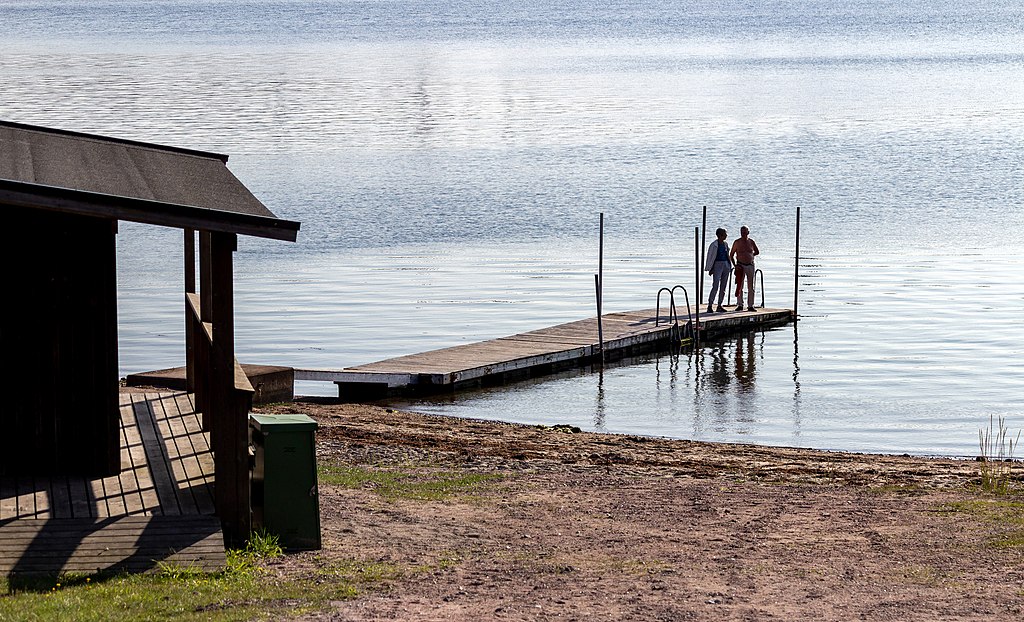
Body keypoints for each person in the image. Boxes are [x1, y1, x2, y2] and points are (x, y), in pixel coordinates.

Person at [729, 225, 760, 312]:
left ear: (748, 233)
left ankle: (750, 305)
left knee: (751, 286)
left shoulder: (751, 242)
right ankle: (740, 304)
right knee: (739, 285)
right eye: (742, 232)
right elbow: (731, 255)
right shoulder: (737, 242)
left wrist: (750, 255)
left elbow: (757, 251)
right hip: (740, 265)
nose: (743, 234)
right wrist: (735, 265)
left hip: (750, 265)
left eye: (745, 232)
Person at [704, 227, 732, 313]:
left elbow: (727, 254)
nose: (726, 235)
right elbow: (710, 257)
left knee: (723, 286)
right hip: (717, 265)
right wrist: (710, 268)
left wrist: (730, 264)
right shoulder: (714, 245)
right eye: (725, 234)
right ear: (720, 235)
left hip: (725, 264)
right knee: (715, 285)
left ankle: (720, 305)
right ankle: (710, 305)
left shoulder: (725, 244)